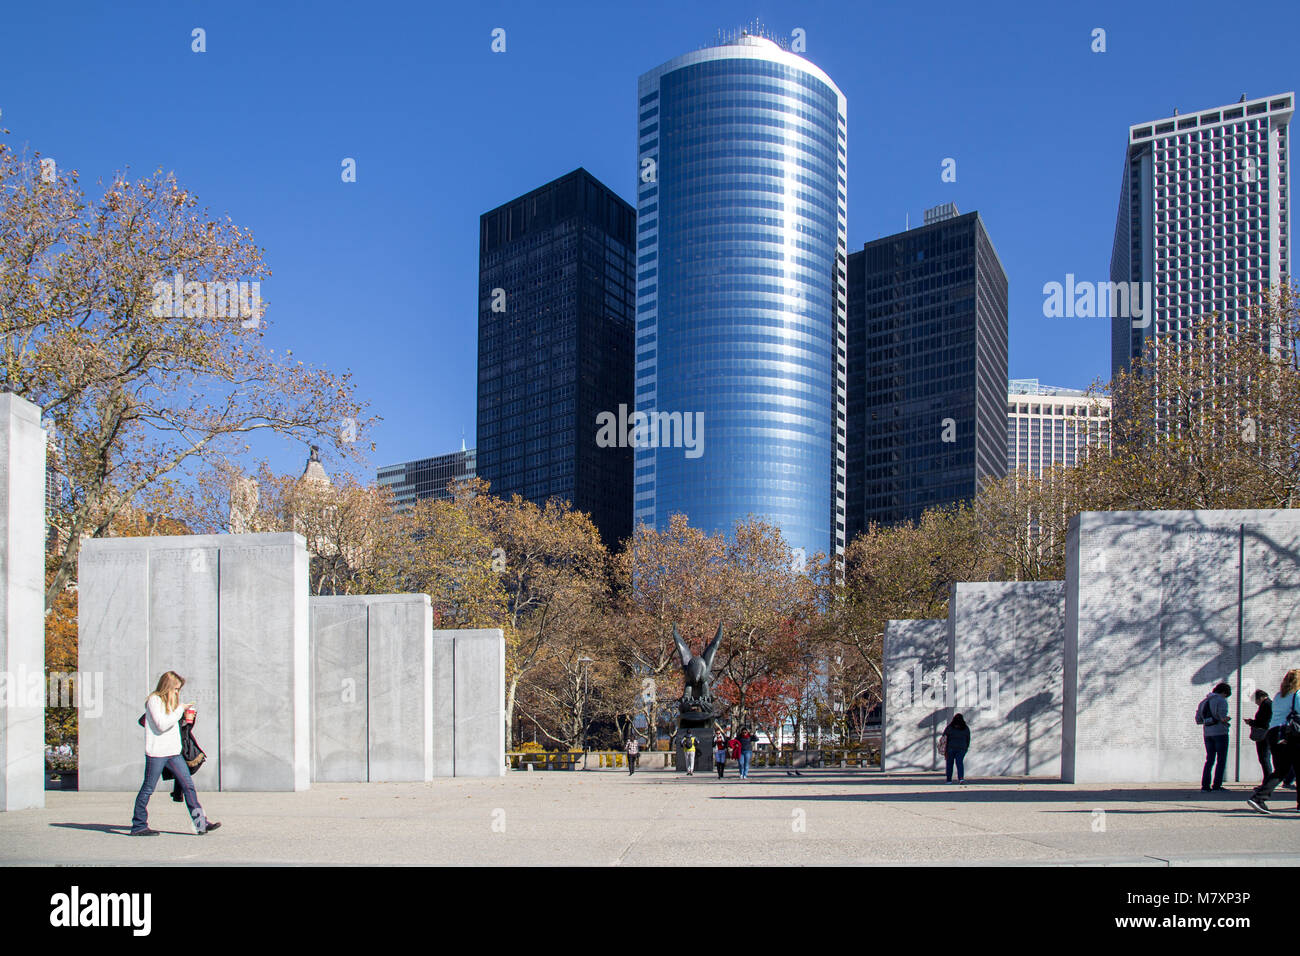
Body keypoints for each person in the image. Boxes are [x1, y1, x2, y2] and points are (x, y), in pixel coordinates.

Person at [130, 671, 220, 836]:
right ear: (168, 686)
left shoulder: (171, 703)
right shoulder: (154, 700)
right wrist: (179, 710)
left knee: (188, 786)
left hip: (174, 752)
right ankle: (138, 825)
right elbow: (161, 725)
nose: (178, 692)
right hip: (157, 753)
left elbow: (172, 726)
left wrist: (186, 720)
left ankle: (201, 823)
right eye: (176, 689)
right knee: (148, 788)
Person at [1247, 669, 1300, 815]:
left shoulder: (1278, 696)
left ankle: (1259, 798)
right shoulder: (1298, 694)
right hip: (1291, 734)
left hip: (1273, 733)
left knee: (1281, 770)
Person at [1197, 682, 1232, 792]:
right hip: (1220, 732)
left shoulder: (1203, 702)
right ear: (1224, 693)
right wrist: (1226, 720)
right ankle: (1217, 785)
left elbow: (1198, 720)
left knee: (1209, 759)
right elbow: (1222, 717)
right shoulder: (1221, 701)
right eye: (1226, 695)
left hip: (1207, 733)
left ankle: (1205, 785)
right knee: (1221, 760)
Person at [1245, 689, 1275, 785]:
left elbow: (1263, 722)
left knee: (1264, 758)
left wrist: (1251, 722)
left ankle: (1267, 782)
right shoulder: (1269, 704)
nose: (1256, 703)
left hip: (1264, 735)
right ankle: (1267, 781)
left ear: (1261, 698)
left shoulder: (1266, 705)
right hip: (1267, 734)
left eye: (1256, 700)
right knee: (1264, 758)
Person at [941, 714, 970, 783]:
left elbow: (944, 736)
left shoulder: (950, 727)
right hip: (961, 748)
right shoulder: (965, 728)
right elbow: (968, 738)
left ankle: (949, 780)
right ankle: (961, 778)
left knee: (949, 764)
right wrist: (966, 747)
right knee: (959, 762)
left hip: (950, 748)